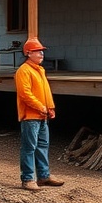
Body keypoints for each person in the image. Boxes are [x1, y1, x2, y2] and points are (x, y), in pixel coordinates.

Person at [14, 37, 64, 191]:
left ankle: (43, 176)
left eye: (42, 51)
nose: (41, 54)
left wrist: (50, 107)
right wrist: (40, 107)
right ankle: (28, 179)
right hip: (30, 116)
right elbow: (25, 94)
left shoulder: (39, 70)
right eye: (38, 51)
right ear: (28, 53)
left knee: (43, 146)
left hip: (42, 115)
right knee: (29, 147)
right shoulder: (24, 70)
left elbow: (46, 92)